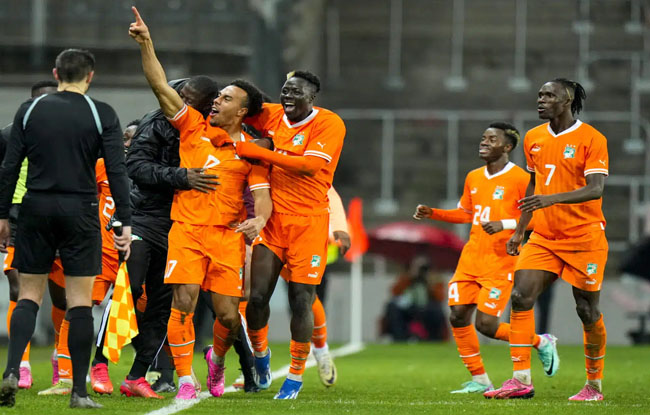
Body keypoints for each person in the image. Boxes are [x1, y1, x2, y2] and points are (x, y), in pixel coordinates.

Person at [129, 7, 272, 401]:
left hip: (227, 237)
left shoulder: (251, 151)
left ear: (241, 111)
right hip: (187, 231)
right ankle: (185, 379)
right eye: (217, 96)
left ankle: (218, 360)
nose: (216, 101)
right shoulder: (192, 126)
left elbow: (262, 196)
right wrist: (147, 42)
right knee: (184, 303)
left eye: (225, 98)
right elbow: (160, 86)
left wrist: (259, 221)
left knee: (227, 315)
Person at [0, 48, 132, 409]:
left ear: (55, 73)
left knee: (28, 295)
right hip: (81, 209)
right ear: (90, 76)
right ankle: (78, 391)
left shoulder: (29, 109)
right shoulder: (100, 112)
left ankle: (12, 370)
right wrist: (124, 220)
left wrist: (0, 216)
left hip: (35, 207)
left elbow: (9, 168)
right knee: (78, 303)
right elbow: (117, 172)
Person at [486, 79, 609, 401]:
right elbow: (533, 188)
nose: (540, 100)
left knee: (586, 309)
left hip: (585, 237)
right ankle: (520, 379)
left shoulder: (592, 139)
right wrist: (519, 230)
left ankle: (594, 385)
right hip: (543, 237)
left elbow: (596, 188)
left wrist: (551, 200)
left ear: (567, 100)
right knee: (521, 297)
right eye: (539, 95)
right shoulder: (533, 138)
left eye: (549, 95)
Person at [414, 122, 559, 394]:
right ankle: (479, 379)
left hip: (500, 260)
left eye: (491, 139)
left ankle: (540, 342)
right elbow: (467, 213)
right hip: (471, 258)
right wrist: (434, 213)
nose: (484, 143)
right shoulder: (473, 176)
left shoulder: (520, 179)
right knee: (457, 316)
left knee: (487, 325)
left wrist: (504, 224)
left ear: (507, 147)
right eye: (483, 138)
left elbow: (537, 219)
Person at [234, 70, 346, 399]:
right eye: (284, 91)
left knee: (302, 301)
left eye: (296, 93)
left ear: (312, 98)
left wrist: (257, 151)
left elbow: (309, 166)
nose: (288, 98)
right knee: (256, 299)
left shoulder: (329, 124)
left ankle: (297, 374)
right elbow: (245, 103)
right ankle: (262, 357)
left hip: (310, 224)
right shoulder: (274, 114)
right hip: (274, 221)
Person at [119, 76, 221, 399]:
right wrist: (181, 177)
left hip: (179, 224)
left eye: (188, 100)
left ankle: (138, 376)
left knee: (164, 306)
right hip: (144, 216)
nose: (179, 102)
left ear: (204, 109)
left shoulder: (209, 130)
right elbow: (134, 165)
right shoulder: (156, 121)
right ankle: (97, 365)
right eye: (178, 95)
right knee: (131, 289)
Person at [0, 80, 59, 390]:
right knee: (18, 286)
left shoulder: (73, 132)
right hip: (20, 218)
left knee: (64, 293)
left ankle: (61, 358)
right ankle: (20, 363)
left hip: (64, 217)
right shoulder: (9, 136)